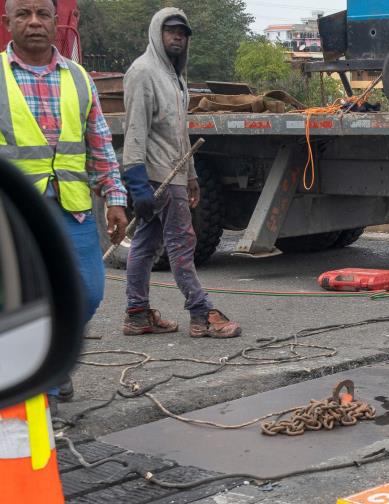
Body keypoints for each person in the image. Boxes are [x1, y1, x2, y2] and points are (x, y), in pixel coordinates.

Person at [1, 1, 126, 501]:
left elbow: (99, 143)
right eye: (22, 13)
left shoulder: (78, 77)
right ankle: (39, 387)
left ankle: (42, 369)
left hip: (73, 209)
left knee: (88, 293)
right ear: (8, 23)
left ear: (57, 23)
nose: (34, 22)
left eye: (43, 14)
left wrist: (114, 196)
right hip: (15, 213)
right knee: (19, 303)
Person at [120, 7, 241, 338]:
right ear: (157, 33)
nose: (178, 36)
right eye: (171, 30)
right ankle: (201, 313)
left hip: (174, 173)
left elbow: (179, 133)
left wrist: (191, 176)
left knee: (146, 243)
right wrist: (136, 181)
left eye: (183, 32)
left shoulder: (174, 76)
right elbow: (135, 131)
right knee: (182, 243)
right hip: (156, 175)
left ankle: (137, 314)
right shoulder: (143, 72)